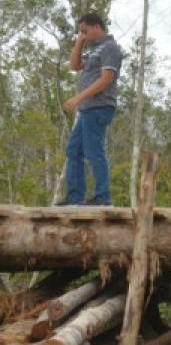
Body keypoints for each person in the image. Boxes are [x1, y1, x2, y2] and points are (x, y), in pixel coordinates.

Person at [58, 12, 123, 206]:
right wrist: (80, 41)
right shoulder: (95, 49)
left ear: (97, 26)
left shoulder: (110, 47)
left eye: (85, 31)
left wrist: (78, 98)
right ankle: (75, 197)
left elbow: (106, 79)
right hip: (88, 109)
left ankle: (103, 197)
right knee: (74, 150)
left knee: (94, 151)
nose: (83, 35)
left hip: (99, 107)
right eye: (80, 32)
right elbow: (75, 65)